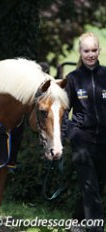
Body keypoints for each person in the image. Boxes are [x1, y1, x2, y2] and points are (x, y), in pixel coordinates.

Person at [63, 32, 106, 232]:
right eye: (86, 50)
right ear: (80, 52)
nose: (90, 54)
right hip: (82, 140)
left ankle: (77, 223)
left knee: (96, 185)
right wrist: (70, 133)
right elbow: (62, 111)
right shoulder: (72, 78)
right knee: (90, 188)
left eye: (94, 50)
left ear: (99, 50)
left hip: (104, 140)